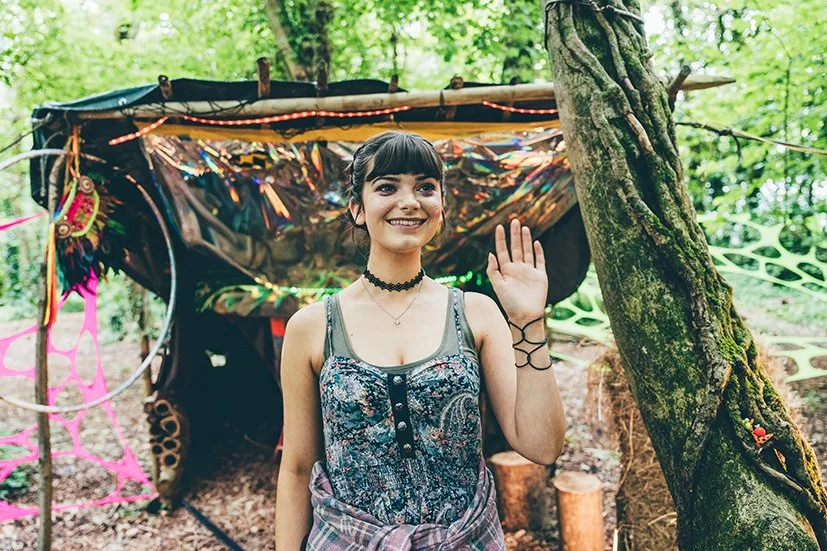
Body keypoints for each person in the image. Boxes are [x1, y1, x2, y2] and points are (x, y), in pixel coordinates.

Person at [274, 131, 566, 550]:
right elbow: (298, 467)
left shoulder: (475, 313)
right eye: (387, 187)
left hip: (466, 539)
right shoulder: (312, 326)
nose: (410, 201)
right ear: (358, 208)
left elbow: (543, 445)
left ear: (441, 207)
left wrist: (528, 321)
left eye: (425, 188)